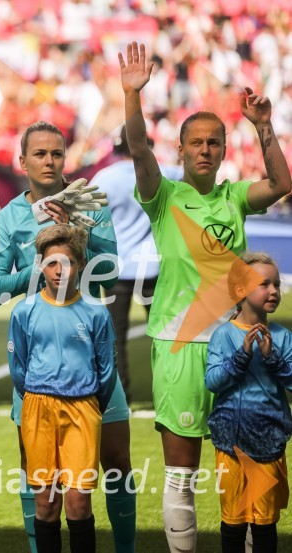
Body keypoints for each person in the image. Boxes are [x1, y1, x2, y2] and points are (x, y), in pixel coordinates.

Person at [120, 41, 292, 552]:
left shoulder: (235, 196)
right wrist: (132, 97)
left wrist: (263, 126)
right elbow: (137, 149)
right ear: (180, 149)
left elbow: (282, 182)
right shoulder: (163, 195)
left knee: (242, 461)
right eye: (195, 142)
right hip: (178, 343)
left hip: (236, 341)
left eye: (213, 142)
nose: (204, 149)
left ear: (222, 149)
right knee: (183, 470)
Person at [0, 121, 135, 553]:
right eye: (40, 154)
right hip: (38, 364)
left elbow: (109, 274)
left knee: (117, 462)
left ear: (65, 157)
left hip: (90, 355)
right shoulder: (10, 216)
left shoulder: (90, 204)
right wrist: (40, 263)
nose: (49, 161)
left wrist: (75, 234)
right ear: (23, 162)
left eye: (56, 153)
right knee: (37, 473)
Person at [9, 224, 117, 553]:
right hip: (38, 409)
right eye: (52, 263)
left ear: (81, 264)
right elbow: (19, 368)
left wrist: (91, 404)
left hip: (83, 409)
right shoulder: (24, 311)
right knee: (46, 504)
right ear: (40, 264)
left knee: (78, 503)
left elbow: (107, 370)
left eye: (67, 263)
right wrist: (35, 399)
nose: (59, 270)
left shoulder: (96, 312)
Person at [205, 253, 291, 553]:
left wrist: (271, 358)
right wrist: (241, 356)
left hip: (269, 440)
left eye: (276, 285)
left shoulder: (282, 336)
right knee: (233, 521)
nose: (274, 291)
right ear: (239, 291)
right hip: (231, 443)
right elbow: (213, 382)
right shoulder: (223, 335)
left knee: (265, 523)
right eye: (264, 284)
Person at [91, 127, 182, 402]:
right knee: (164, 336)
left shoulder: (103, 179)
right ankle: (169, 393)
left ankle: (122, 398)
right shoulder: (164, 172)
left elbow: (91, 222)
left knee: (115, 338)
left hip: (116, 268)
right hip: (154, 266)